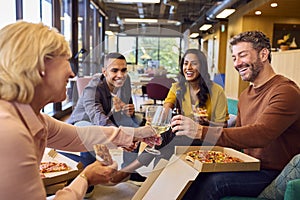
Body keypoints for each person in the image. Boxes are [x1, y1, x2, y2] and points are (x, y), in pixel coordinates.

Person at [0, 21, 158, 200]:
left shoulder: (33, 117)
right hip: (85, 119)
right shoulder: (9, 132)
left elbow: (80, 136)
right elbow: (93, 118)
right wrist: (85, 178)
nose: (72, 73)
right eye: (66, 61)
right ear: (40, 67)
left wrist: (136, 133)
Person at [171, 31, 300, 199]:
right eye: (234, 58)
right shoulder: (245, 95)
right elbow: (238, 137)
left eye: (242, 55)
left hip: (271, 172)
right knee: (192, 172)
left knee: (216, 182)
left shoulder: (285, 91)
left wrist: (201, 131)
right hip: (248, 165)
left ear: (263, 54)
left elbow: (261, 134)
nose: (237, 63)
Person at [111, 49, 229, 183]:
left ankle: (129, 172)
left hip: (205, 136)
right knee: (166, 136)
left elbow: (222, 126)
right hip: (181, 134)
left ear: (202, 66)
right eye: (185, 64)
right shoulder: (177, 87)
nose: (188, 68)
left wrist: (205, 122)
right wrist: (156, 121)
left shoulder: (217, 91)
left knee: (168, 139)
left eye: (194, 63)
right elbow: (165, 109)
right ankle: (155, 181)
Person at [67, 52, 145, 185]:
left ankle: (129, 170)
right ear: (104, 71)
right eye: (114, 70)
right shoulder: (94, 85)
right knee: (92, 131)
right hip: (85, 120)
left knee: (137, 123)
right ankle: (88, 173)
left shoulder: (125, 80)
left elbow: (128, 106)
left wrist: (129, 112)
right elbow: (96, 115)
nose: (120, 75)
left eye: (123, 70)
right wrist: (119, 135)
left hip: (107, 117)